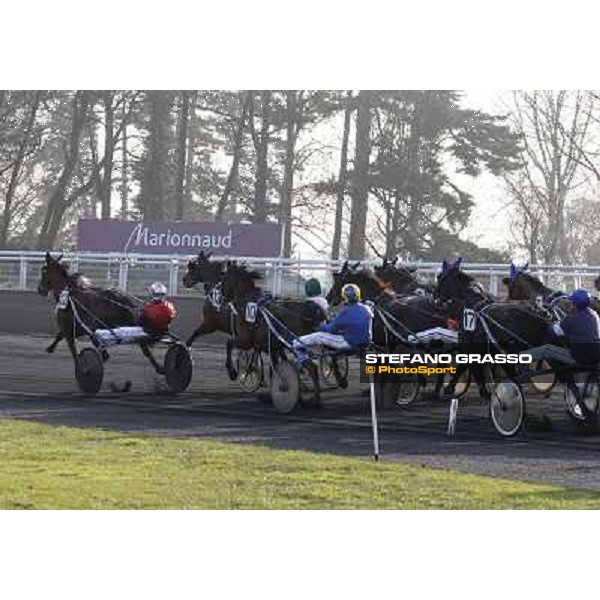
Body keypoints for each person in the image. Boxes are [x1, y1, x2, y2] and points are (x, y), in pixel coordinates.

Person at [293, 283, 372, 357]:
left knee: (319, 336)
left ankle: (296, 343)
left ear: (345, 297)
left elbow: (330, 329)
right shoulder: (366, 308)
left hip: (350, 343)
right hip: (366, 342)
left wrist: (321, 326)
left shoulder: (346, 312)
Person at [526, 289, 600, 366]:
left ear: (575, 304)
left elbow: (552, 332)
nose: (569, 303)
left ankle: (519, 359)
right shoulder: (594, 314)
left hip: (581, 357)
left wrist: (550, 322)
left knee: (546, 349)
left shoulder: (571, 319)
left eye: (571, 302)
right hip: (596, 354)